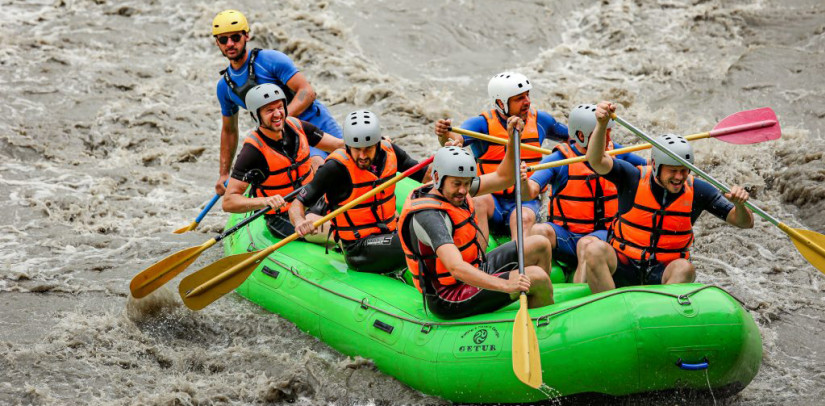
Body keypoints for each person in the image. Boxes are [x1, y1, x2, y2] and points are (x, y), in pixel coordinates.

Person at [580, 101, 754, 294]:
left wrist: (739, 205)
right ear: (655, 166)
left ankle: (660, 313)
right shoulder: (632, 178)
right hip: (623, 265)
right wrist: (602, 124)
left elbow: (744, 223)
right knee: (594, 250)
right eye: (672, 171)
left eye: (683, 171)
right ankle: (607, 308)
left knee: (685, 268)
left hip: (661, 274)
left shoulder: (699, 190)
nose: (679, 177)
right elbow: (596, 160)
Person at [399, 116, 554, 320]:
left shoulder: (453, 187)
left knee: (540, 244)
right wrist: (505, 285)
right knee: (535, 277)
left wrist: (511, 139)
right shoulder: (429, 216)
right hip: (449, 296)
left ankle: (537, 304)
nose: (464, 191)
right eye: (457, 184)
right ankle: (539, 316)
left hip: (475, 269)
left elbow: (504, 177)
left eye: (467, 183)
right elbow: (455, 268)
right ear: (437, 178)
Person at [211, 9, 343, 196]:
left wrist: (282, 119)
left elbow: (307, 92)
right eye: (223, 40)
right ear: (217, 42)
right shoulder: (225, 87)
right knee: (316, 167)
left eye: (235, 37)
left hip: (315, 122)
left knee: (348, 157)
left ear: (246, 36)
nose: (230, 44)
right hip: (286, 137)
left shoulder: (270, 60)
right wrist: (224, 173)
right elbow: (229, 130)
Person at [434, 72, 568, 246]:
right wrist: (444, 134)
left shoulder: (541, 120)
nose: (527, 101)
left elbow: (574, 139)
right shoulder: (481, 124)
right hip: (493, 201)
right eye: (519, 98)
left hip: (526, 200)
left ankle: (518, 262)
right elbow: (454, 141)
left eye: (527, 95)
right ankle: (479, 261)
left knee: (523, 217)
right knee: (478, 200)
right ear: (500, 103)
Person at [288, 110, 429, 273]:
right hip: (359, 249)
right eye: (356, 149)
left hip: (388, 231)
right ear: (347, 146)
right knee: (416, 238)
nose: (362, 156)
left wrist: (447, 160)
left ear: (377, 144)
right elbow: (298, 203)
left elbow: (425, 175)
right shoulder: (335, 168)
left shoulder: (390, 152)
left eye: (368, 149)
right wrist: (299, 221)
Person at [524, 104, 647, 280]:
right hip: (567, 235)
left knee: (586, 244)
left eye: (608, 132)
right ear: (581, 136)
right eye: (603, 133)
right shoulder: (559, 159)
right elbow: (532, 190)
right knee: (538, 231)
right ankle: (538, 281)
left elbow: (652, 172)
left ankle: (577, 294)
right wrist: (523, 181)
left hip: (606, 236)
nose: (608, 139)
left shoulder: (618, 153)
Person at [222, 84, 343, 239]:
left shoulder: (297, 126)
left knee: (318, 161)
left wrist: (376, 144)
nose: (277, 114)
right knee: (341, 232)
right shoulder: (252, 152)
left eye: (280, 107)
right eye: (269, 110)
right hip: (283, 217)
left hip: (313, 200)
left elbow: (337, 145)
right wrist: (264, 201)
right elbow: (228, 201)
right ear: (256, 116)